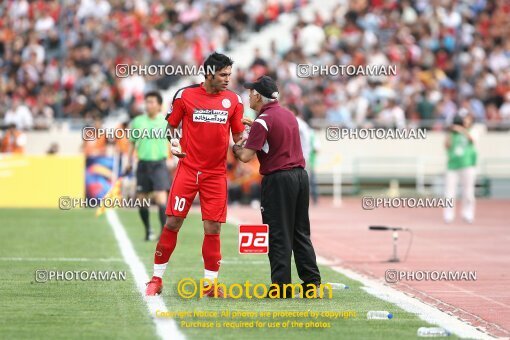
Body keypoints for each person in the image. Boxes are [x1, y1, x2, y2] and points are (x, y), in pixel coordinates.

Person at [145, 52, 245, 296]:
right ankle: (156, 279)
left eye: (229, 75)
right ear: (209, 73)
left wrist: (246, 146)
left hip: (216, 175)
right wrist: (175, 144)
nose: (227, 79)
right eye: (223, 75)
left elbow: (239, 137)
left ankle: (210, 285)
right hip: (188, 170)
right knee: (172, 222)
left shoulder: (234, 100)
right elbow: (171, 128)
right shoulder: (185, 95)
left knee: (213, 228)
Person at [233, 76, 322, 298]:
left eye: (252, 92)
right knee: (300, 232)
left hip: (278, 180)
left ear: (259, 96)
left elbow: (245, 157)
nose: (249, 96)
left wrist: (235, 146)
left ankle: (281, 288)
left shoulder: (262, 121)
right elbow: (277, 133)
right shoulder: (288, 115)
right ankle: (312, 284)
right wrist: (255, 127)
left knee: (277, 233)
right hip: (300, 177)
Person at [125, 92, 172, 241]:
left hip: (159, 164)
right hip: (143, 164)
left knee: (161, 199)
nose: (148, 105)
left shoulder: (166, 121)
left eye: (152, 102)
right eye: (147, 102)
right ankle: (148, 230)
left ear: (159, 105)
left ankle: (163, 233)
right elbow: (132, 143)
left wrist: (175, 156)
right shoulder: (137, 121)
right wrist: (128, 161)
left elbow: (174, 140)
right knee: (141, 201)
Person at [444, 114, 478, 224]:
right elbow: (447, 145)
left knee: (468, 192)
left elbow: (472, 140)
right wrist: (450, 132)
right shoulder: (452, 133)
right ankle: (448, 215)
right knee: (450, 192)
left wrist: (462, 130)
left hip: (467, 164)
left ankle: (468, 213)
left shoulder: (472, 131)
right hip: (452, 165)